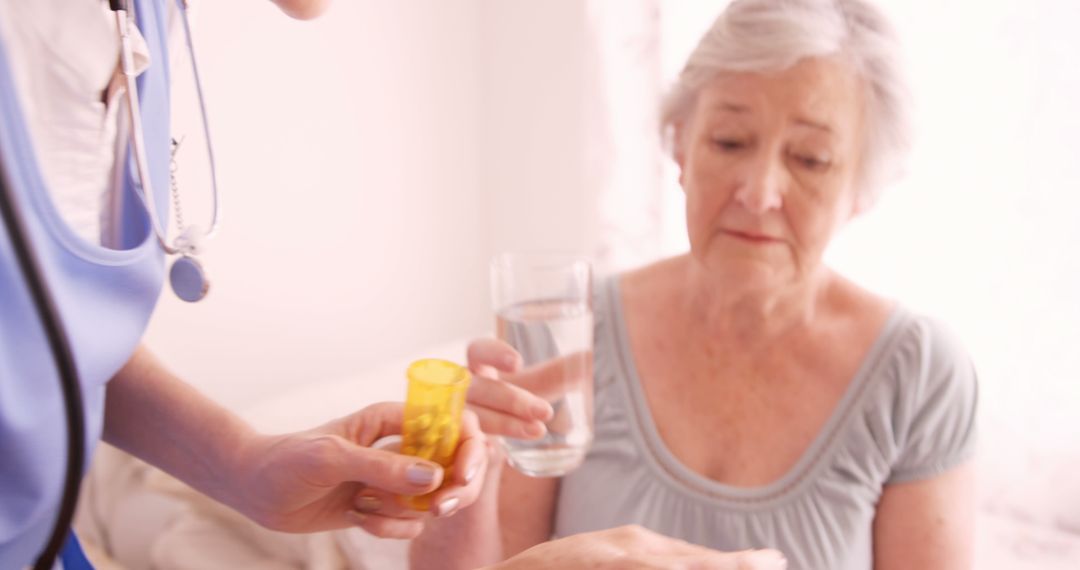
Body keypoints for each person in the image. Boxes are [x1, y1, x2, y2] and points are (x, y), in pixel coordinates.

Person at [0, 0, 783, 568]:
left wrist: (243, 464)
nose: (760, 191)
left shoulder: (147, 26)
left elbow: (47, 337)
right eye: (728, 139)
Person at [410, 0, 978, 569]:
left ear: (862, 188)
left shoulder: (920, 374)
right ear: (680, 145)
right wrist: (463, 480)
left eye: (811, 158)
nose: (759, 193)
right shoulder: (569, 330)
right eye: (729, 142)